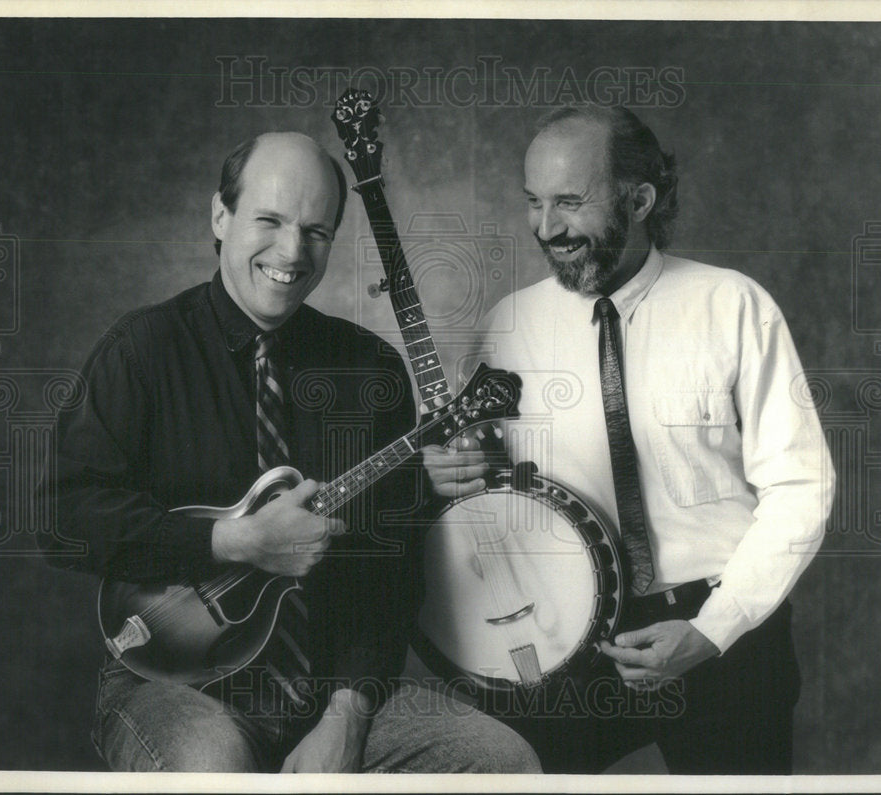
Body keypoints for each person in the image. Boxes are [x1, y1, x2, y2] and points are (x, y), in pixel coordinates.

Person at [40, 132, 540, 774]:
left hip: (331, 685)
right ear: (220, 217)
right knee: (212, 768)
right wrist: (230, 542)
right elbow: (63, 520)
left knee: (503, 762)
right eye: (269, 221)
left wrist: (348, 714)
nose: (291, 251)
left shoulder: (371, 368)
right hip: (172, 680)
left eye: (316, 231)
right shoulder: (143, 350)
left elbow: (386, 575)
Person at [423, 106, 836, 774]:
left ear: (639, 199)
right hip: (560, 641)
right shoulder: (507, 325)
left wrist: (712, 628)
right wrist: (446, 467)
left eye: (570, 202)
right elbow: (476, 495)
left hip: (722, 630)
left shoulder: (732, 306)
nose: (546, 227)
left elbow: (800, 485)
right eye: (533, 202)